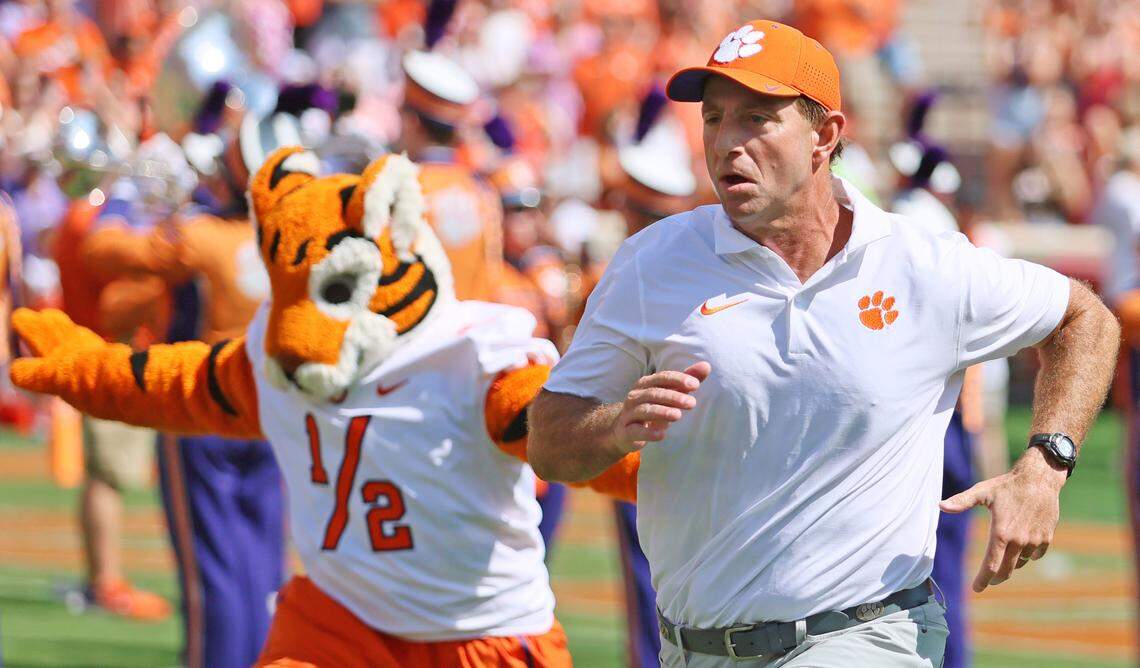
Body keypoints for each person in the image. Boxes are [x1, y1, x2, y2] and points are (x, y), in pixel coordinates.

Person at [528, 19, 1120, 667]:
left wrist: (1045, 464)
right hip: (692, 649)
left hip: (864, 636)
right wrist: (615, 426)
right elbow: (549, 444)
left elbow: (1085, 320)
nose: (727, 143)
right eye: (715, 119)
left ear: (825, 136)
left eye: (756, 119)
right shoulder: (651, 265)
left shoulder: (922, 265)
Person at [10, 147, 640, 667]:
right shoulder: (277, 356)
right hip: (341, 620)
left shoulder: (473, 356)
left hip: (482, 633)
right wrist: (83, 367)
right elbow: (174, 384)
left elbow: (567, 435)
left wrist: (655, 453)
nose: (297, 336)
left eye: (335, 291)